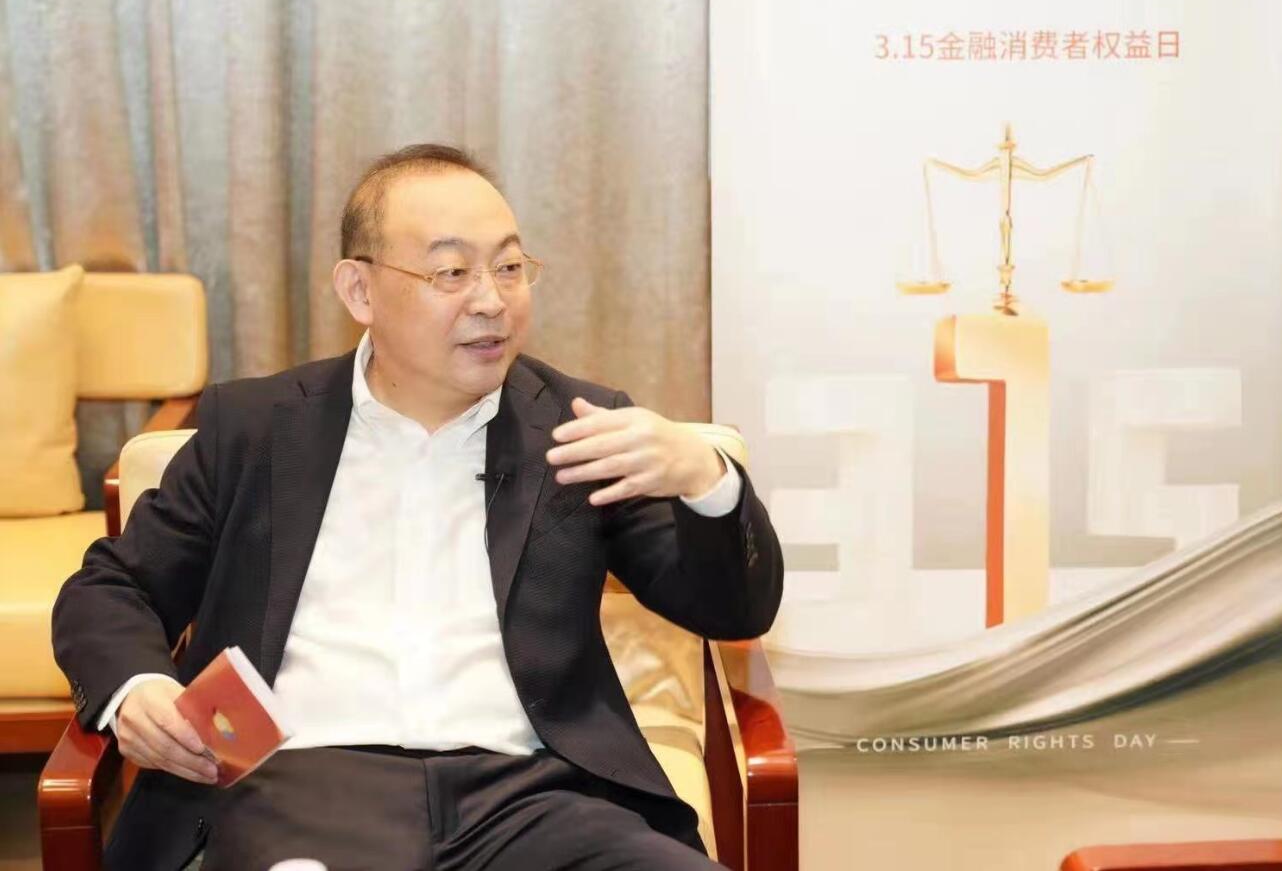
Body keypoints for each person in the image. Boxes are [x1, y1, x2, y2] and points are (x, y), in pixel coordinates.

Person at [51, 143, 783, 871]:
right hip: (300, 786)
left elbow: (732, 610)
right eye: (451, 272)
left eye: (508, 267)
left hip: (536, 796)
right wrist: (138, 690)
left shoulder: (579, 429)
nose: (491, 300)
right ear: (359, 291)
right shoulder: (256, 429)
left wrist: (705, 481)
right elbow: (112, 585)